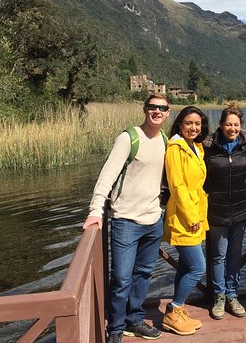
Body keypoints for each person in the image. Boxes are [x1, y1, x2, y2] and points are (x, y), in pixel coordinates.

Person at [83, 94, 171, 343]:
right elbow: (107, 176)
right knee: (121, 278)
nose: (157, 111)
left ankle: (135, 319)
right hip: (125, 221)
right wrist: (95, 210)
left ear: (167, 113)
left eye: (162, 108)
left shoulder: (164, 141)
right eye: (153, 107)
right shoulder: (128, 138)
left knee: (143, 274)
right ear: (145, 110)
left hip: (153, 220)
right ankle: (116, 328)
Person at [202, 102, 246, 320]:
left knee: (234, 255)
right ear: (221, 125)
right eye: (228, 124)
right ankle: (219, 296)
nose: (232, 129)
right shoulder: (208, 147)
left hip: (241, 210)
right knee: (218, 256)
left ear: (241, 126)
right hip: (216, 211)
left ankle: (233, 295)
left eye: (236, 125)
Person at [161, 105, 210, 336]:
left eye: (197, 124)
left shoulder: (196, 147)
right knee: (198, 267)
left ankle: (176, 310)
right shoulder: (175, 148)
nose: (193, 127)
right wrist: (191, 217)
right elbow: (177, 186)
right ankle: (174, 310)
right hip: (183, 215)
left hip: (196, 211)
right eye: (189, 123)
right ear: (180, 124)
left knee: (185, 265)